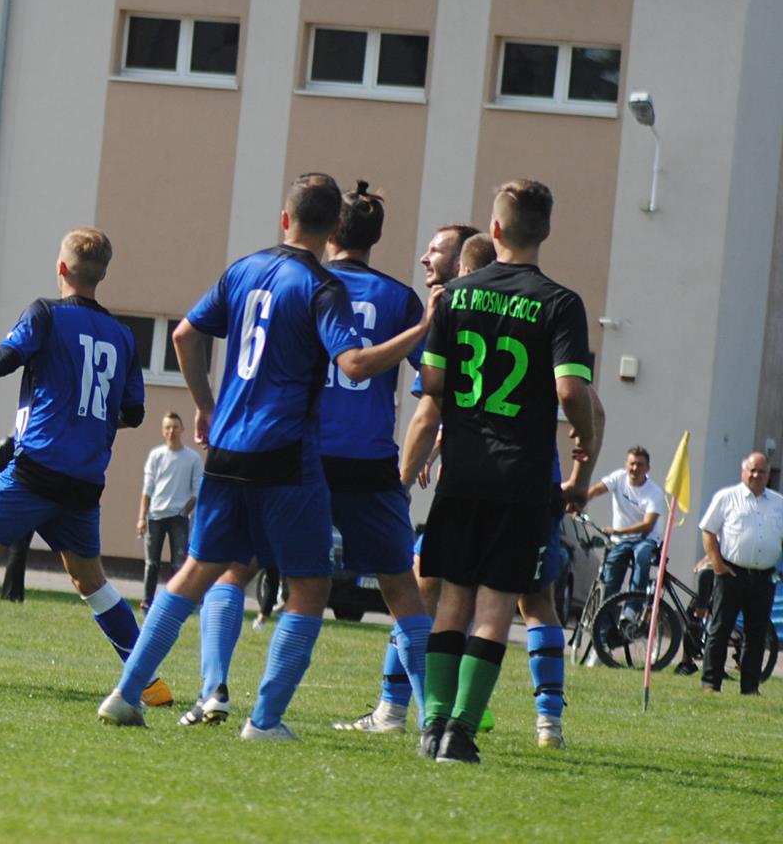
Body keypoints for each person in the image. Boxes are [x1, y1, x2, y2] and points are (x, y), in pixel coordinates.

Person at [102, 176, 430, 735]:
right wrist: (424, 328)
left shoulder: (244, 269)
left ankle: (127, 693)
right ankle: (266, 719)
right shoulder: (323, 286)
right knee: (311, 585)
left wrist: (205, 406)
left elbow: (184, 334)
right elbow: (353, 365)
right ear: (330, 230)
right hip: (288, 453)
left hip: (228, 447)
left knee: (201, 570)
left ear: (286, 219)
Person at [399, 179, 599, 765]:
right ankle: (459, 732)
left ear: (495, 230)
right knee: (495, 609)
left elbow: (431, 392)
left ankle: (430, 722)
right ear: (546, 232)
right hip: (523, 476)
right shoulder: (562, 303)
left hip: (463, 468)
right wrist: (584, 440)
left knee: (451, 602)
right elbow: (570, 389)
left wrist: (409, 470)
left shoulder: (456, 296)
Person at [0, 228, 160, 699]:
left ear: (62, 268)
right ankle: (148, 682)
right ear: (103, 274)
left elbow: (3, 359)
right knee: (91, 583)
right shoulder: (124, 336)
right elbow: (133, 413)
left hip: (37, 470)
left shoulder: (46, 313)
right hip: (85, 479)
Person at [698, 452, 783, 694]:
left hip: (763, 577)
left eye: (762, 471)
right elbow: (708, 530)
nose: (756, 475)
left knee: (756, 636)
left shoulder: (779, 503)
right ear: (743, 471)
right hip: (731, 573)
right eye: (752, 470)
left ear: (769, 475)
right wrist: (717, 564)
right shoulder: (726, 497)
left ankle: (750, 687)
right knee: (720, 629)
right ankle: (711, 684)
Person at [137, 412, 203, 610]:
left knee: (178, 564)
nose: (171, 431)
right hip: (155, 516)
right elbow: (147, 488)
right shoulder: (156, 456)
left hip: (178, 519)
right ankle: (147, 602)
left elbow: (197, 491)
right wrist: (142, 517)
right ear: (162, 431)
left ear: (182, 429)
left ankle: (174, 603)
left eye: (175, 427)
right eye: (168, 427)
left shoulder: (192, 458)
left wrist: (184, 512)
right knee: (152, 564)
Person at [582, 446, 662, 594]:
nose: (635, 468)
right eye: (632, 464)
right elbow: (596, 490)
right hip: (620, 540)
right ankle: (605, 613)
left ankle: (632, 610)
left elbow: (647, 525)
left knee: (642, 556)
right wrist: (579, 503)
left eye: (640, 464)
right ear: (626, 465)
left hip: (645, 539)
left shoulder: (654, 492)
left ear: (647, 468)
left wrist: (618, 531)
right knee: (611, 575)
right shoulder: (618, 477)